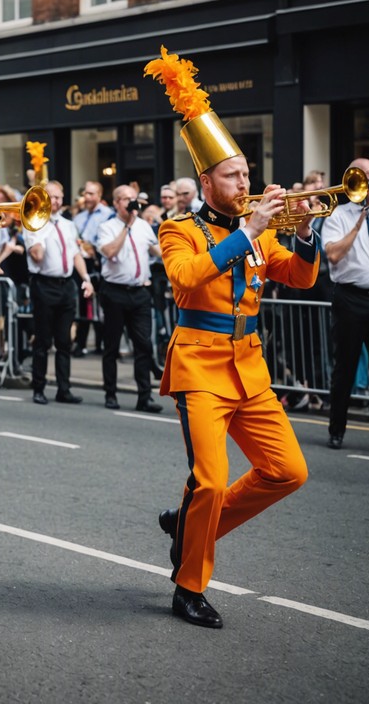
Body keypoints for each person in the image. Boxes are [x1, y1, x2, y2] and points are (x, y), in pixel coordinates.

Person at [144, 46, 318, 629]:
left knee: (288, 471)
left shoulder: (260, 229)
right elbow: (187, 283)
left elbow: (296, 275)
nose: (246, 180)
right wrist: (248, 234)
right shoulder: (178, 228)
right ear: (206, 180)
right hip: (200, 365)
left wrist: (308, 235)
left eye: (247, 171)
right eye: (234, 174)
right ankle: (188, 586)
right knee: (212, 479)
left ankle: (192, 521)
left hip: (249, 366)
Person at [322, 158, 369, 453]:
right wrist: (360, 220)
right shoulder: (337, 216)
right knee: (346, 368)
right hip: (350, 299)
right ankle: (337, 429)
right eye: (366, 176)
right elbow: (334, 256)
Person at [24, 179, 94, 404]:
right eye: (52, 197)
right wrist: (41, 228)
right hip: (44, 284)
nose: (56, 201)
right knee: (43, 340)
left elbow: (75, 254)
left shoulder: (68, 224)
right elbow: (37, 255)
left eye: (59, 197)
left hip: (66, 286)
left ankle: (64, 389)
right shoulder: (33, 223)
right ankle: (39, 388)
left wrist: (86, 279)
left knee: (64, 341)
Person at [96, 185, 163, 412]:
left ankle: (144, 397)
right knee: (112, 346)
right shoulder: (107, 227)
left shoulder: (144, 226)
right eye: (125, 199)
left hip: (140, 292)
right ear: (116, 203)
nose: (131, 203)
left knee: (143, 345)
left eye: (133, 199)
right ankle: (110, 393)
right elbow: (110, 252)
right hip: (114, 292)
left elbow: (159, 252)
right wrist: (127, 226)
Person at [72, 180, 111, 357]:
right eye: (85, 193)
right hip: (82, 262)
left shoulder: (107, 215)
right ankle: (81, 343)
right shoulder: (78, 217)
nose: (87, 197)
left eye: (91, 194)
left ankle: (102, 343)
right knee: (83, 303)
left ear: (99, 195)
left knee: (101, 304)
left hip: (100, 262)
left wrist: (93, 247)